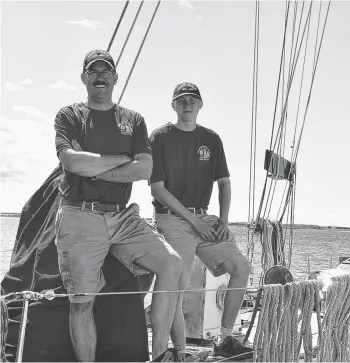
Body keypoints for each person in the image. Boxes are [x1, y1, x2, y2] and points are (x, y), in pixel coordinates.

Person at [54, 50, 184, 362]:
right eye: (93, 71)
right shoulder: (69, 116)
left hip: (123, 218)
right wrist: (123, 162)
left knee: (172, 264)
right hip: (79, 215)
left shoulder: (134, 120)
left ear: (115, 77)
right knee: (81, 302)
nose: (100, 76)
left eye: (106, 71)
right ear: (85, 77)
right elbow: (71, 161)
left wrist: (94, 166)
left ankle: (161, 353)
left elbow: (144, 169)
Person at [148, 82, 254, 360]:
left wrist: (224, 220)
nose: (187, 105)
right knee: (176, 287)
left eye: (192, 100)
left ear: (200, 105)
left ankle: (226, 337)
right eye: (181, 100)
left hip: (204, 219)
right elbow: (158, 189)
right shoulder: (160, 137)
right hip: (172, 218)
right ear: (173, 105)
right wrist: (193, 221)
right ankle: (179, 353)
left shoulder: (211, 139)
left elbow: (224, 182)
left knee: (241, 268)